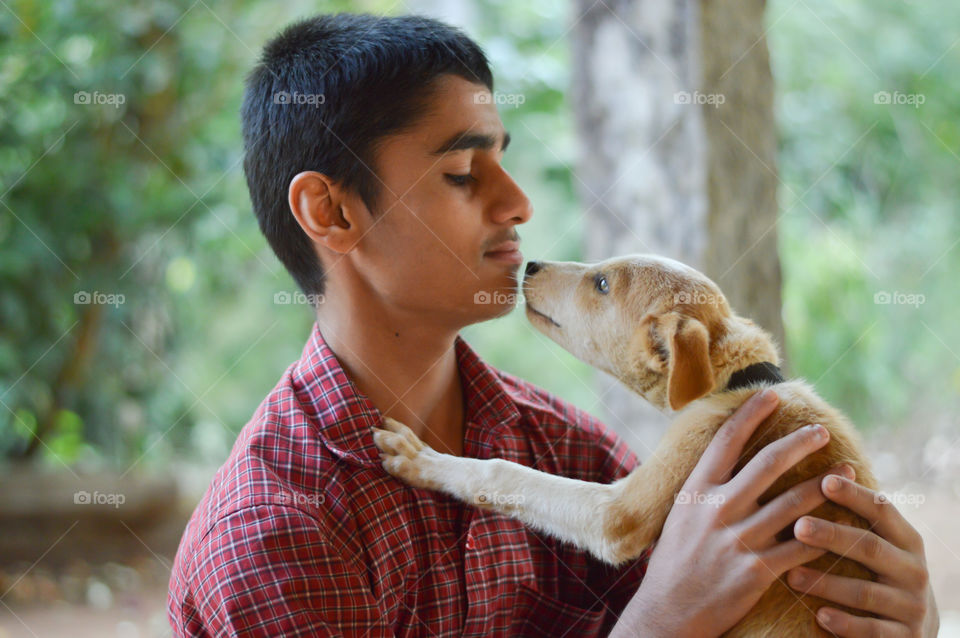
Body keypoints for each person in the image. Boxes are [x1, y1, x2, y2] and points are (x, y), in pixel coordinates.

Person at [167, 13, 938, 637]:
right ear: (331, 212)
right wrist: (661, 623)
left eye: (504, 159)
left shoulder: (568, 450)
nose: (519, 203)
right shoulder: (274, 534)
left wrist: (900, 617)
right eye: (464, 173)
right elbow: (677, 606)